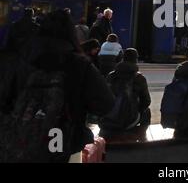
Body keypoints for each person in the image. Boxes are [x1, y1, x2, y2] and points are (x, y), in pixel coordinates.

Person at [1, 9, 115, 162]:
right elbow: (106, 104)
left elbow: (5, 99)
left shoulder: (21, 59)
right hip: (62, 142)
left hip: (19, 141)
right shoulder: (79, 64)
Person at [100, 48, 151, 133]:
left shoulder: (111, 75)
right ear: (136, 59)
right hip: (128, 121)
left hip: (107, 118)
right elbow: (146, 101)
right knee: (146, 111)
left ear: (123, 58)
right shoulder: (139, 78)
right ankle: (142, 136)